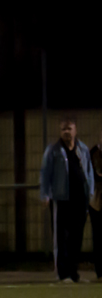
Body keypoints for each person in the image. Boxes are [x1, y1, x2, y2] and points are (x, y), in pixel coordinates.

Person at [40, 117, 95, 283]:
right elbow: (45, 173)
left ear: (75, 130)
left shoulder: (82, 149)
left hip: (80, 200)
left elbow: (89, 172)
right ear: (60, 131)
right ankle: (62, 273)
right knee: (61, 238)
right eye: (63, 129)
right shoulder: (54, 150)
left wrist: (90, 193)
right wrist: (45, 194)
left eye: (69, 128)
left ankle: (74, 273)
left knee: (76, 238)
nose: (66, 132)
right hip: (61, 199)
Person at [89, 127, 102, 281]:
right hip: (96, 201)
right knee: (98, 237)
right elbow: (94, 174)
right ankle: (100, 272)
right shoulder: (92, 153)